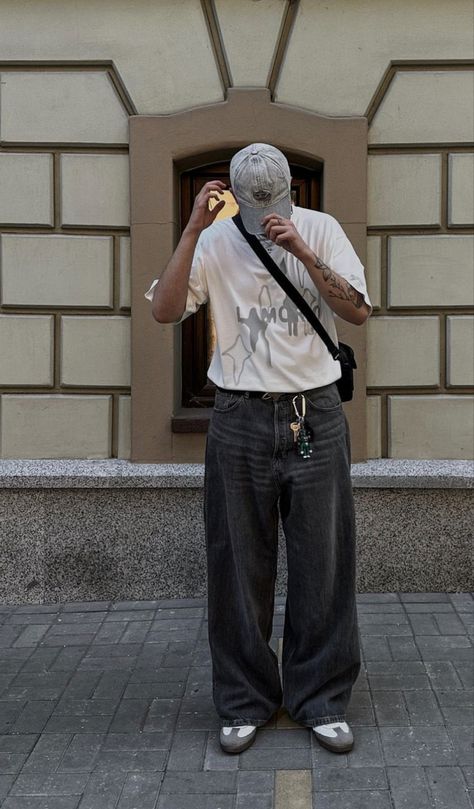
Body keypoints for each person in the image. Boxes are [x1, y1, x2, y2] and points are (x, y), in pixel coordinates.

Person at [145, 143, 372, 755]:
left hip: (314, 412)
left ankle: (319, 699)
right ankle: (245, 700)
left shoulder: (321, 228)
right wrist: (193, 227)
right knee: (237, 564)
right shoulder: (216, 240)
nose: (266, 215)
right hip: (239, 416)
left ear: (291, 192)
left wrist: (300, 248)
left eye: (276, 205)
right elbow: (165, 311)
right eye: (256, 208)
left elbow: (357, 312)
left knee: (322, 564)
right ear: (239, 201)